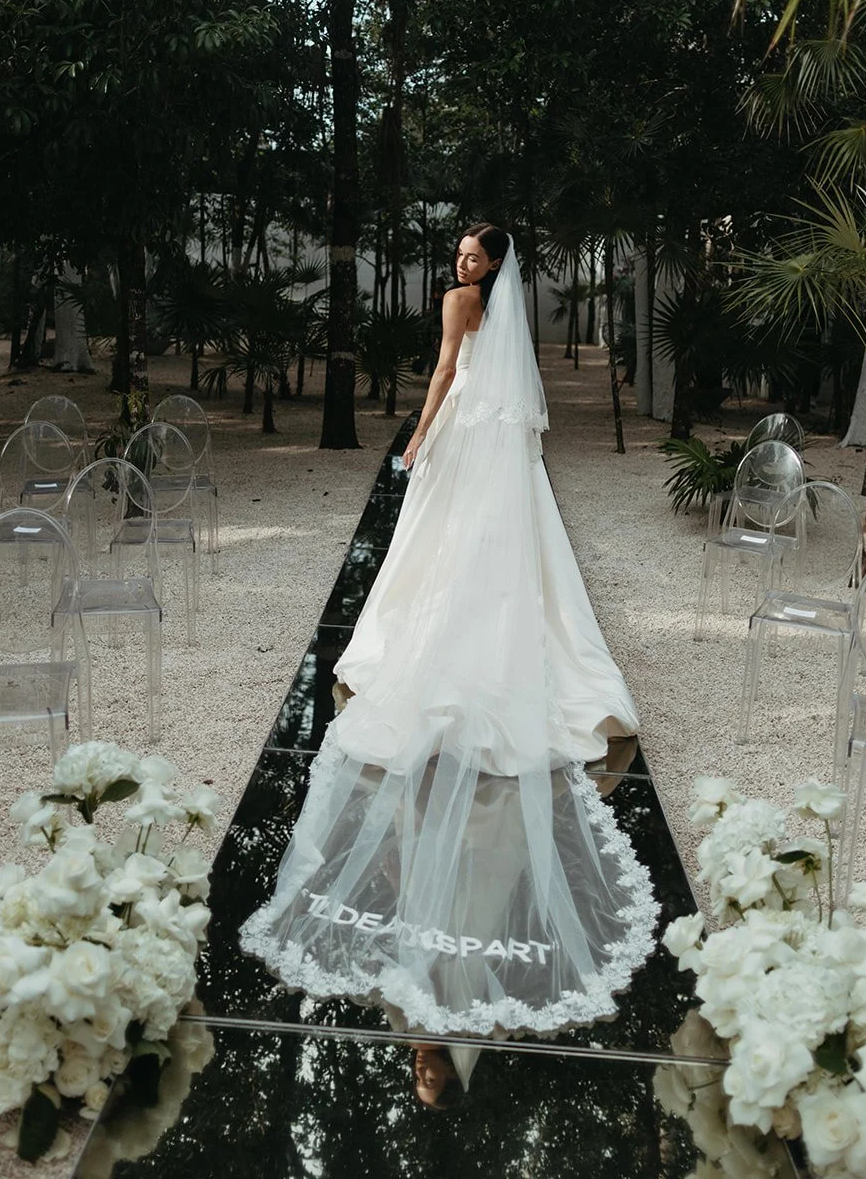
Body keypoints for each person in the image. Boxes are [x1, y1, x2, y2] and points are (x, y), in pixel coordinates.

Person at [239, 224, 657, 1037]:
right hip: (501, 439)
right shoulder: (497, 307)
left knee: (443, 541)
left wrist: (418, 437)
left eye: (473, 255)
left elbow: (441, 373)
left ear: (492, 265)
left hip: (467, 429)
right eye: (460, 254)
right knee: (500, 546)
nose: (463, 264)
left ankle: (441, 638)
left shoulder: (459, 302)